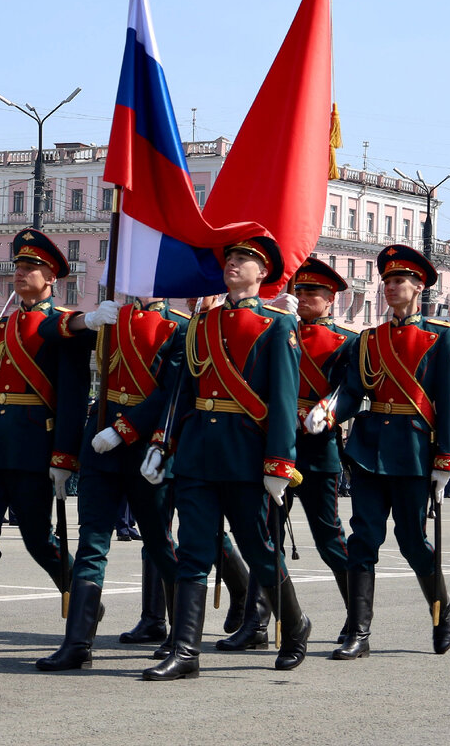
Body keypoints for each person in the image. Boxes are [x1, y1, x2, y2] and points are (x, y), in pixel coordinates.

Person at [142, 228, 310, 680]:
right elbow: (181, 389)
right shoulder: (200, 323)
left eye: (244, 259)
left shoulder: (278, 325)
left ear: (263, 274)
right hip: (197, 453)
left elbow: (282, 397)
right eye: (230, 257)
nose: (233, 263)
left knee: (259, 548)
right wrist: (163, 442)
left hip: (245, 454)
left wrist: (280, 462)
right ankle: (185, 652)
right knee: (195, 551)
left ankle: (295, 627)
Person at [306, 244, 450, 659]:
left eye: (400, 281)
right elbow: (354, 391)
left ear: (418, 286)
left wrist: (447, 457)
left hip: (414, 452)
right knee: (363, 540)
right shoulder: (369, 339)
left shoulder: (441, 336)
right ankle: (359, 632)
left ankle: (443, 608)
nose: (391, 288)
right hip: (369, 450)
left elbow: (449, 401)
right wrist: (329, 412)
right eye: (388, 281)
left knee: (412, 541)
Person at [0, 228, 90, 661]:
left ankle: (84, 600)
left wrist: (65, 455)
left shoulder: (65, 326)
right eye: (19, 267)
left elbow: (72, 395)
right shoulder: (2, 325)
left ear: (52, 277)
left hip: (33, 447)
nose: (21, 274)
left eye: (32, 268)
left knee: (37, 538)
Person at [35, 295, 187, 672]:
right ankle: (78, 643)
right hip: (99, 443)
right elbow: (46, 331)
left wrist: (125, 430)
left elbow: (171, 393)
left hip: (146, 446)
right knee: (91, 544)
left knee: (159, 543)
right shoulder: (110, 320)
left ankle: (182, 638)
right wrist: (86, 320)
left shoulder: (180, 327)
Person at [221, 257, 358, 651]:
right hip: (274, 445)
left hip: (317, 449)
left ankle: (356, 618)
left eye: (313, 292)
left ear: (331, 299)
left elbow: (349, 390)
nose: (304, 298)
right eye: (300, 291)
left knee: (329, 538)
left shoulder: (346, 341)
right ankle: (256, 624)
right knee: (266, 539)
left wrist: (327, 412)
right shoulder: (275, 327)